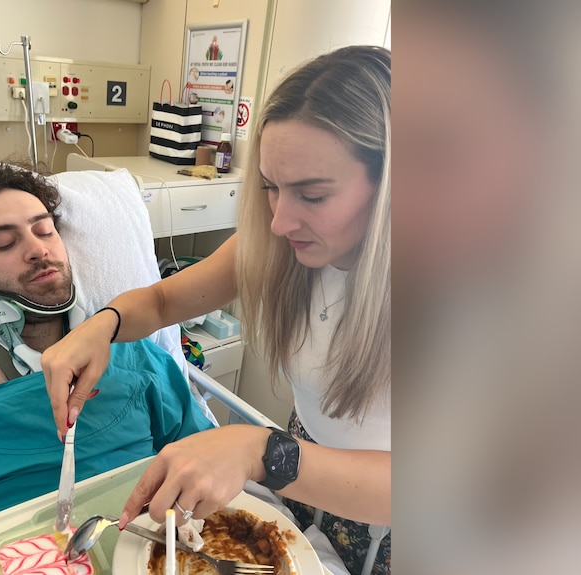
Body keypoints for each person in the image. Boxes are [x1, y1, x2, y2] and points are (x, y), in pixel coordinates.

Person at [42, 46, 391, 574]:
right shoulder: (282, 244)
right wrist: (101, 326)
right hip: (303, 485)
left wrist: (259, 451)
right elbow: (163, 299)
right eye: (271, 188)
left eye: (313, 195)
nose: (279, 222)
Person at [0, 156, 215, 548]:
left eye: (45, 231)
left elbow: (209, 473)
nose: (37, 249)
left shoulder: (140, 360)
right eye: (4, 243)